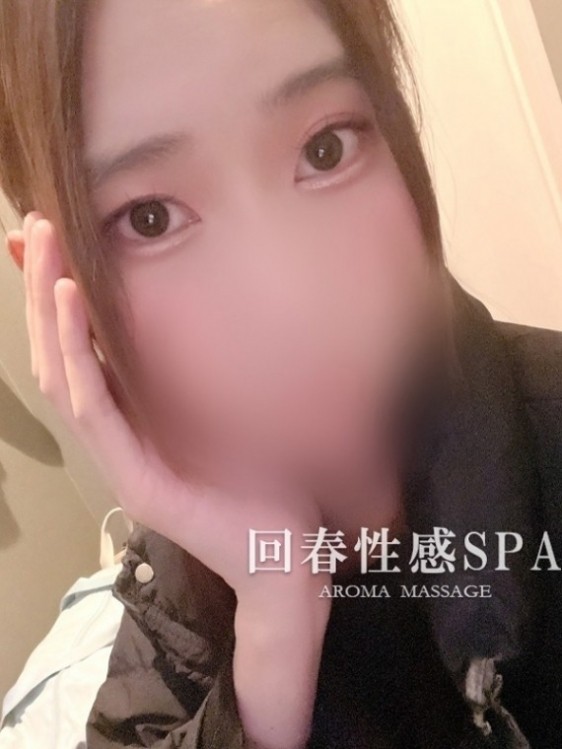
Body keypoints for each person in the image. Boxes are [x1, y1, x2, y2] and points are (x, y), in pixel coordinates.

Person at [1, 1, 561, 747]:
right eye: (150, 218)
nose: (291, 304)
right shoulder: (170, 607)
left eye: (326, 149)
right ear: (61, 295)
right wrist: (273, 629)